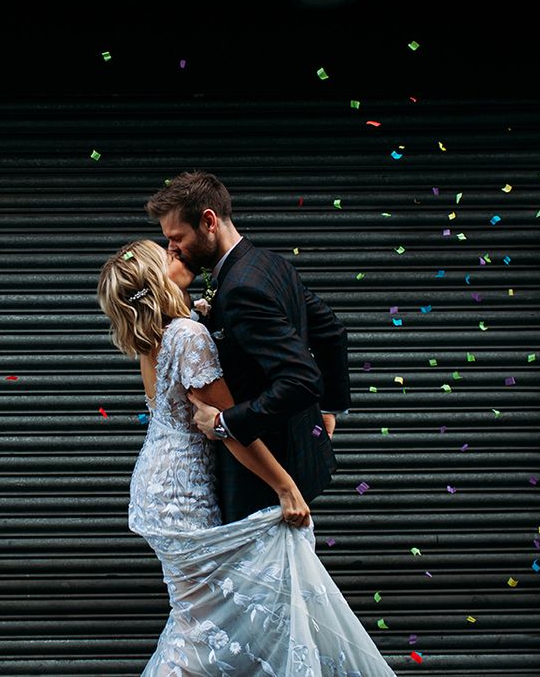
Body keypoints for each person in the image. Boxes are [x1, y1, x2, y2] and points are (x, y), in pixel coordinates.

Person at [98, 239, 397, 676]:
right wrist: (286, 487)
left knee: (195, 620)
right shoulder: (187, 335)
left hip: (154, 490)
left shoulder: (156, 336)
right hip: (183, 495)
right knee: (200, 631)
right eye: (167, 256)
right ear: (156, 280)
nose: (176, 253)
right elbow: (228, 428)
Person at [145, 170, 351, 523]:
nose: (172, 248)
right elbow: (331, 331)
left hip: (262, 474)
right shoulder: (271, 263)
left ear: (208, 221)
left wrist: (225, 421)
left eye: (177, 237)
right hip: (296, 454)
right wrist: (331, 407)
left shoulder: (240, 288)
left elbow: (300, 380)